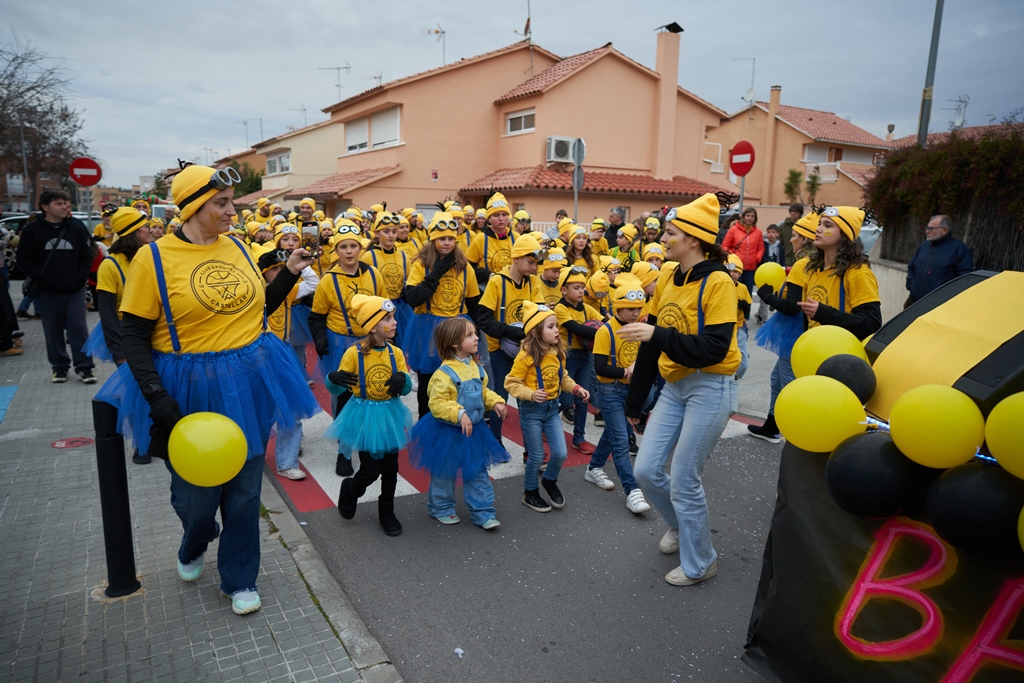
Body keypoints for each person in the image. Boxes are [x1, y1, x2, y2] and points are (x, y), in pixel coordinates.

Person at [95, 162, 319, 615]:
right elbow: (134, 335)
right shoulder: (153, 258)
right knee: (196, 497)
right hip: (189, 385)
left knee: (245, 491)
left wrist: (291, 273)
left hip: (248, 378)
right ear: (194, 206)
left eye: (231, 202)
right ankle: (196, 540)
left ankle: (239, 578)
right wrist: (156, 394)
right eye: (221, 203)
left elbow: (255, 311)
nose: (231, 211)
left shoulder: (236, 246)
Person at [621, 192, 741, 587]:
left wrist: (657, 331)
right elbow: (651, 343)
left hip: (710, 386)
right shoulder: (670, 274)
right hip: (674, 386)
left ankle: (701, 560)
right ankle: (680, 526)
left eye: (670, 233)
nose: (663, 238)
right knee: (646, 469)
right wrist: (634, 404)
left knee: (685, 475)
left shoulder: (719, 281)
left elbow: (713, 349)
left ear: (693, 239)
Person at [408, 317, 508, 529]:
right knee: (445, 472)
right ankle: (441, 507)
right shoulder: (443, 374)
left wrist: (495, 401)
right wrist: (459, 412)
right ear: (455, 343)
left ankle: (483, 511)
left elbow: (482, 391)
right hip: (448, 432)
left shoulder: (476, 366)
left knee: (477, 471)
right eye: (470, 335)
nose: (476, 339)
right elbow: (437, 403)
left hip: (474, 430)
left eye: (475, 334)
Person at [327, 295, 414, 536]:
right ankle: (352, 489)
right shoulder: (353, 354)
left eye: (394, 317)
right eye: (387, 318)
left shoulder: (394, 353)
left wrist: (403, 379)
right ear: (372, 326)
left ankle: (387, 511)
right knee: (370, 470)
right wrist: (332, 378)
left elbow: (406, 388)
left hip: (389, 414)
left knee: (390, 469)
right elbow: (337, 388)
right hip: (364, 415)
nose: (394, 322)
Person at [309, 223, 385, 477]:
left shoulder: (374, 274)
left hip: (370, 339)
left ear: (361, 248)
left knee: (373, 391)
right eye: (344, 247)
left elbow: (385, 308)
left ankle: (370, 440)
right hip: (340, 342)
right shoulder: (328, 280)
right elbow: (317, 315)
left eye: (353, 246)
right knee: (343, 394)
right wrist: (321, 341)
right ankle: (344, 451)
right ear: (337, 251)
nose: (349, 251)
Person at [505, 301, 590, 513]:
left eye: (556, 326)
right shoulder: (525, 356)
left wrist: (576, 388)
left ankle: (549, 481)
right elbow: (512, 383)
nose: (557, 331)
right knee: (536, 456)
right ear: (535, 331)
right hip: (532, 411)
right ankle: (530, 492)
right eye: (551, 327)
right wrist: (531, 394)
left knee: (560, 453)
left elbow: (563, 378)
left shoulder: (557, 352)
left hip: (552, 409)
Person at [747, 212, 819, 442]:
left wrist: (767, 296)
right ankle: (772, 425)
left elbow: (792, 306)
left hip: (795, 330)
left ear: (806, 239)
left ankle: (794, 429)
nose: (791, 239)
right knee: (777, 379)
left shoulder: (803, 264)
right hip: (797, 328)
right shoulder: (812, 262)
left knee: (788, 382)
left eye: (796, 235)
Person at [585, 272, 652, 514]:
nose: (634, 313)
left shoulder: (640, 327)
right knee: (622, 441)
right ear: (618, 307)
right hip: (610, 391)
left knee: (614, 433)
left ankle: (593, 467)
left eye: (637, 307)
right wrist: (627, 370)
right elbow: (601, 368)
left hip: (631, 392)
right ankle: (632, 490)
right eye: (629, 308)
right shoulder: (606, 331)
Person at [403, 213, 481, 417]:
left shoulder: (465, 268)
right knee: (428, 382)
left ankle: (455, 419)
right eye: (441, 238)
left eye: (450, 239)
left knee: (458, 378)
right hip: (429, 328)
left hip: (458, 327)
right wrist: (436, 272)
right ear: (433, 240)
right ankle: (426, 419)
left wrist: (477, 336)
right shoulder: (422, 265)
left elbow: (473, 303)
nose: (447, 243)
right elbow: (412, 297)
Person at [15, 189, 96, 383]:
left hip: (74, 289)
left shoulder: (76, 228)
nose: (65, 207)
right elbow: (24, 259)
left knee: (78, 328)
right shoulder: (32, 230)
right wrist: (41, 278)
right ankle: (60, 367)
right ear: (45, 207)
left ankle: (85, 368)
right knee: (53, 330)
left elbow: (87, 255)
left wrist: (80, 279)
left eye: (66, 203)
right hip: (47, 290)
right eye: (59, 204)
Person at [475, 234, 545, 443]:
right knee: (500, 395)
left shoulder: (532, 283)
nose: (534, 268)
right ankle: (495, 439)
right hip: (500, 351)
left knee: (528, 398)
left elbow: (540, 313)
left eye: (536, 263)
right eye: (530, 262)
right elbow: (484, 319)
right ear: (516, 258)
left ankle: (531, 447)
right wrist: (507, 331)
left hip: (526, 350)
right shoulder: (497, 281)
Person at [82, 205, 154, 369]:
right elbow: (107, 314)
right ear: (133, 232)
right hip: (127, 335)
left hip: (153, 333)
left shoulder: (148, 256)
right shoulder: (110, 266)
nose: (149, 230)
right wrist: (119, 353)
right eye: (145, 226)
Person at [553, 267, 601, 453]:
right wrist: (603, 332)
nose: (581, 291)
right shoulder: (560, 308)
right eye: (576, 287)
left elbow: (605, 322)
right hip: (567, 357)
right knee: (565, 399)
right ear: (564, 290)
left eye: (582, 287)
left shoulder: (587, 309)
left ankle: (578, 437)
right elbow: (577, 329)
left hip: (584, 357)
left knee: (583, 398)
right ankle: (546, 421)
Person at [362, 212, 413, 342]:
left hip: (400, 309)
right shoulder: (369, 256)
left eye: (394, 231)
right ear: (377, 233)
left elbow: (407, 283)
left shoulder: (403, 257)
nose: (391, 235)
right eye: (386, 231)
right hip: (378, 309)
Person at [905, 214, 973, 308]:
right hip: (914, 301)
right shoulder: (924, 246)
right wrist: (911, 285)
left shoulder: (959, 249)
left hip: (938, 305)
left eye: (931, 228)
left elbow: (964, 278)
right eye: (927, 228)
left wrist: (946, 297)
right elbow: (912, 267)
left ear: (944, 230)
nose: (927, 231)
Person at [466, 193, 517, 283]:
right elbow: (467, 266)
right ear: (489, 219)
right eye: (496, 215)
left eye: (504, 214)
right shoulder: (481, 239)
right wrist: (488, 275)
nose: (501, 218)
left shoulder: (516, 238)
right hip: (487, 289)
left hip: (512, 289)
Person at [726, 254, 752, 413]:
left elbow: (748, 305)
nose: (733, 274)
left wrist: (744, 306)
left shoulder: (742, 288)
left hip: (740, 327)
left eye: (737, 271)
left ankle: (733, 383)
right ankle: (727, 391)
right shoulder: (721, 284)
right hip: (725, 328)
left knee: (743, 363)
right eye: (731, 270)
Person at [721, 207, 764, 299]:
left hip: (750, 268)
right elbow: (725, 246)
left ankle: (746, 313)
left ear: (755, 218)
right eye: (748, 215)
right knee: (734, 293)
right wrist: (733, 256)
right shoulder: (733, 230)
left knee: (747, 295)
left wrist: (757, 258)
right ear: (743, 217)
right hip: (735, 268)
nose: (750, 218)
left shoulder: (758, 233)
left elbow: (761, 248)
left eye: (752, 216)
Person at [755, 224, 784, 323]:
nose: (771, 234)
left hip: (776, 273)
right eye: (769, 232)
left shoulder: (780, 247)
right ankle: (763, 317)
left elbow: (782, 260)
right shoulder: (763, 245)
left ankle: (760, 314)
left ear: (778, 234)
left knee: (776, 295)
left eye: (773, 232)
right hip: (765, 274)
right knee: (764, 296)